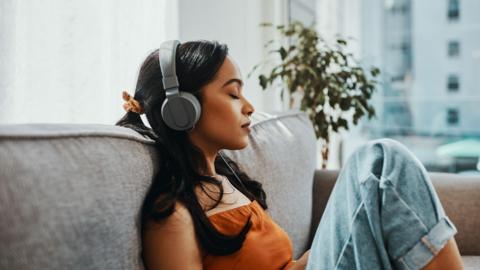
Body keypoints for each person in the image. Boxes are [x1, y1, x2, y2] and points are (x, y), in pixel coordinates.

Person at [116, 39, 464, 270]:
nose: (249, 107)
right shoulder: (173, 217)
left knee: (382, 167)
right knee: (380, 162)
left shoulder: (227, 181)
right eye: (233, 94)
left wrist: (343, 236)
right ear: (182, 110)